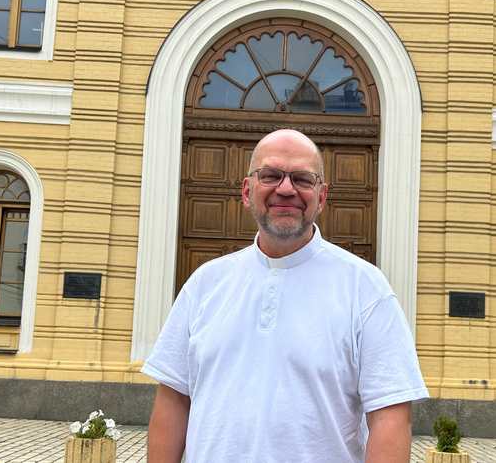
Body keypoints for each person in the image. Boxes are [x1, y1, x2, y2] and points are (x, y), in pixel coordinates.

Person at [143, 129, 428, 463]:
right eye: (271, 175)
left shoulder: (365, 289)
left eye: (303, 179)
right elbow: (174, 401)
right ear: (247, 191)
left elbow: (390, 416)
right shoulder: (205, 284)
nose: (286, 189)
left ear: (321, 197)